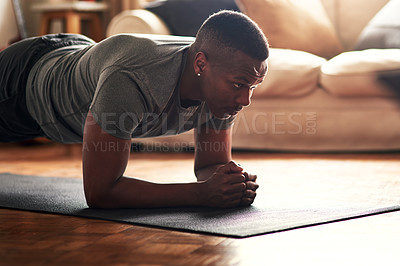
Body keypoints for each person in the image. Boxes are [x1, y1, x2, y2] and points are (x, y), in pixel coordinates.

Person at [0, 10, 269, 209]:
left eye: (253, 86)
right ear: (200, 65)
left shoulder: (222, 80)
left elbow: (212, 164)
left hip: (74, 52)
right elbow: (100, 193)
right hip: (22, 85)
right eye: (239, 85)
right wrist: (200, 194)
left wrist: (230, 183)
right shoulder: (133, 78)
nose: (245, 100)